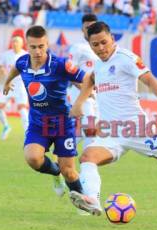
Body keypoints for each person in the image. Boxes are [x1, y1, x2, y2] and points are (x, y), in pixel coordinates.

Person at [69, 22, 157, 215]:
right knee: (87, 157)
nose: (100, 48)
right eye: (95, 45)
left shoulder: (126, 58)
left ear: (112, 38)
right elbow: (91, 79)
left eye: (104, 42)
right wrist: (79, 103)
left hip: (138, 129)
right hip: (111, 132)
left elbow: (149, 79)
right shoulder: (98, 64)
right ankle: (92, 201)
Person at [3, 25, 101, 215]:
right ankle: (55, 173)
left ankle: (84, 203)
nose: (37, 51)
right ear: (27, 46)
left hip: (63, 123)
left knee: (70, 171)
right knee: (32, 159)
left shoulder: (61, 64)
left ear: (47, 44)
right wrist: (7, 81)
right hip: (38, 124)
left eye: (41, 46)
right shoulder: (23, 62)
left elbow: (88, 79)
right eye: (33, 47)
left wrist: (80, 102)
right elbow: (15, 68)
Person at [68, 13, 99, 150]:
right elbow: (69, 72)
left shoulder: (100, 48)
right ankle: (88, 166)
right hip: (80, 93)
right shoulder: (77, 48)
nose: (89, 29)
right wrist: (85, 90)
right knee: (90, 129)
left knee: (90, 131)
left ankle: (63, 151)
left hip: (98, 94)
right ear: (82, 29)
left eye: (92, 26)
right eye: (87, 27)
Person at [0, 36, 29, 140]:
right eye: (13, 41)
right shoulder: (6, 55)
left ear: (22, 44)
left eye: (17, 42)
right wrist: (3, 71)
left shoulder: (26, 55)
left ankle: (27, 133)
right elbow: (0, 66)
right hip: (8, 83)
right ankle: (6, 126)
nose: (15, 43)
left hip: (21, 85)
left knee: (22, 109)